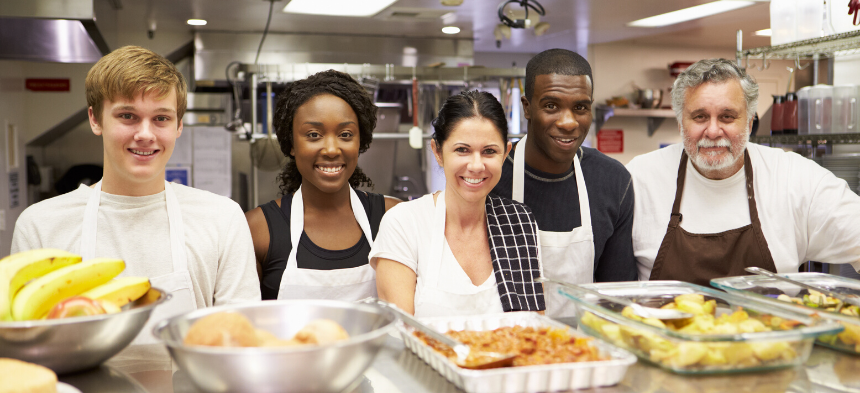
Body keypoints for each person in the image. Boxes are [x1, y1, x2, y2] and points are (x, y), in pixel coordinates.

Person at [11, 45, 261, 342]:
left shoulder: (222, 218)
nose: (145, 133)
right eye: (127, 116)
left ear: (179, 124)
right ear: (95, 119)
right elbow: (27, 342)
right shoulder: (41, 224)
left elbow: (240, 338)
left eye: (161, 118)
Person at [626, 58, 860, 286]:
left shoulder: (794, 178)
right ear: (680, 123)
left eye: (727, 117)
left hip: (770, 325)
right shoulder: (639, 180)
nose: (713, 131)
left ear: (749, 123)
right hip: (664, 324)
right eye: (700, 117)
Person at [490, 48, 637, 318]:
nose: (568, 122)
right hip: (504, 345)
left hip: (586, 347)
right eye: (551, 106)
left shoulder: (613, 181)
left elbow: (617, 296)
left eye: (580, 107)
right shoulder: (491, 179)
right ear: (527, 108)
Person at [371, 90, 545, 317]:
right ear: (438, 152)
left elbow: (535, 327)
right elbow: (401, 331)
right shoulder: (404, 223)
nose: (476, 165)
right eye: (462, 150)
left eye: (489, 151)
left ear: (505, 154)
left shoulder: (519, 222)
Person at [245, 70, 400, 301]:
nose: (331, 149)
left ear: (361, 141)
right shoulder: (257, 230)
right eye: (314, 134)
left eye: (345, 134)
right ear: (291, 144)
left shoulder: (393, 218)